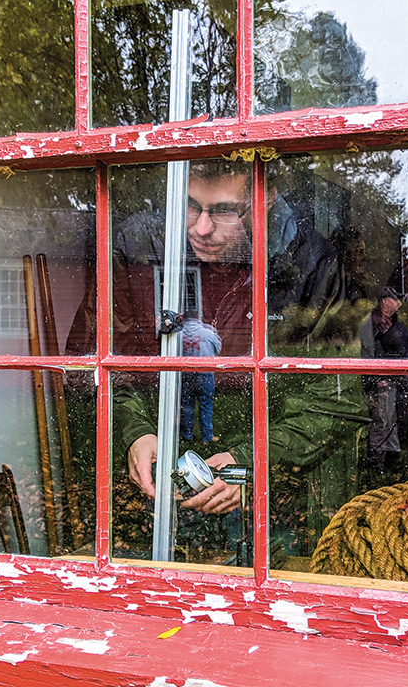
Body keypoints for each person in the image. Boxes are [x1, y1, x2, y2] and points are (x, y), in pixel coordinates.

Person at [66, 159, 345, 543]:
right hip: (148, 495)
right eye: (191, 205)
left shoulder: (310, 265)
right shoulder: (140, 249)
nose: (201, 228)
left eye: (225, 210)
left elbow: (334, 400)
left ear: (266, 198)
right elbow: (91, 363)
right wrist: (135, 432)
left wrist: (251, 461)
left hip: (268, 505)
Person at [359, 285, 408, 474]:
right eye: (395, 299)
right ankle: (378, 467)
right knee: (382, 422)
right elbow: (369, 354)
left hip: (398, 380)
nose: (399, 303)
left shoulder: (393, 323)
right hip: (383, 382)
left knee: (395, 420)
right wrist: (377, 379)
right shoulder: (374, 324)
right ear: (384, 303)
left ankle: (392, 463)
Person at [180, 310, 222, 443]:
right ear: (197, 318)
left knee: (187, 405)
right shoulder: (208, 332)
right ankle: (207, 437)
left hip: (186, 372)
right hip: (205, 373)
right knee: (206, 404)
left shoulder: (178, 334)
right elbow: (218, 349)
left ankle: (187, 435)